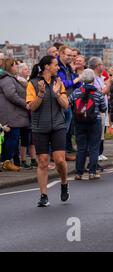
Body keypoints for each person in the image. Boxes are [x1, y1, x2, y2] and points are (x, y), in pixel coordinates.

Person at [27, 55, 70, 207]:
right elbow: (31, 107)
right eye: (55, 65)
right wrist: (40, 93)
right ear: (47, 67)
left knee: (59, 160)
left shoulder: (58, 82)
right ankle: (43, 195)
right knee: (43, 162)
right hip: (40, 127)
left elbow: (66, 106)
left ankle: (64, 183)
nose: (58, 68)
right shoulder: (32, 83)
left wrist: (58, 93)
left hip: (58, 126)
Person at [69, 69, 107, 180]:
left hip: (79, 122)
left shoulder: (77, 92)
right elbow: (103, 108)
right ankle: (92, 172)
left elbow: (68, 102)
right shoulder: (98, 93)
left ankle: (79, 173)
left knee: (81, 148)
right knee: (94, 148)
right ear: (93, 79)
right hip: (95, 122)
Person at [0, 59, 29, 172]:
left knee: (12, 138)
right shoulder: (7, 79)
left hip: (13, 113)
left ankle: (6, 161)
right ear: (10, 67)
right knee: (12, 138)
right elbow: (11, 95)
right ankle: (6, 161)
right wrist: (25, 104)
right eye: (15, 66)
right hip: (10, 114)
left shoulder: (9, 78)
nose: (17, 67)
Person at [57, 46, 79, 159]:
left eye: (71, 55)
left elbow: (75, 83)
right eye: (68, 55)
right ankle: (58, 154)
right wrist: (76, 80)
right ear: (61, 53)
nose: (71, 57)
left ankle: (63, 153)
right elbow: (63, 84)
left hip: (70, 100)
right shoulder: (57, 67)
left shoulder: (68, 67)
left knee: (67, 129)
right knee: (62, 129)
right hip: (61, 101)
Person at [88, 57, 111, 163]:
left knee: (102, 132)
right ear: (97, 66)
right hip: (96, 109)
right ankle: (96, 154)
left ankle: (100, 153)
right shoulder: (93, 78)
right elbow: (100, 93)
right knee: (97, 132)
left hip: (102, 108)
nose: (103, 66)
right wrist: (109, 84)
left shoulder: (99, 77)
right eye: (101, 64)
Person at [17, 63, 37, 169]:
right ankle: (23, 160)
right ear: (20, 71)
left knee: (32, 138)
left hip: (30, 113)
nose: (27, 70)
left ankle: (33, 159)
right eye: (25, 69)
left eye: (28, 68)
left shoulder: (28, 82)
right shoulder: (20, 82)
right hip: (24, 113)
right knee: (25, 138)